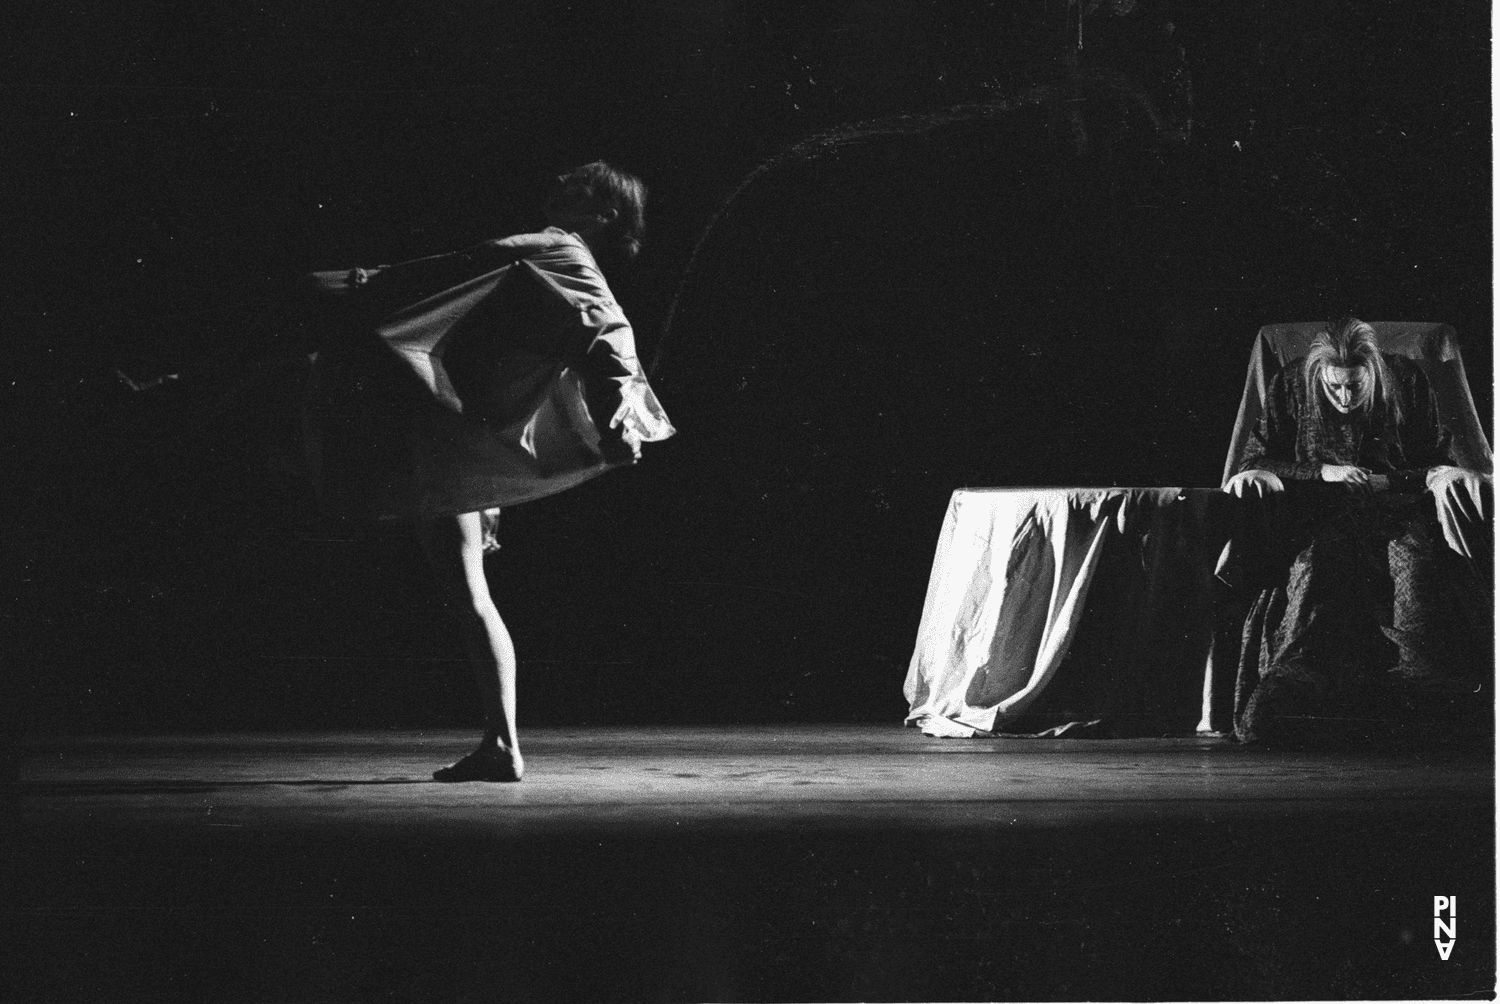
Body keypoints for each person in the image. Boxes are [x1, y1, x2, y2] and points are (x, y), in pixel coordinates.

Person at [301, 162, 674, 781]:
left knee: (469, 593)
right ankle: (501, 743)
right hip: (458, 448)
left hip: (451, 448)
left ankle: (503, 744)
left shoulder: (559, 249)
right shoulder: (561, 258)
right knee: (470, 594)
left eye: (581, 185)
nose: (560, 178)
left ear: (605, 214)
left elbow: (609, 333)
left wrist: (618, 421)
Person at [1226, 317, 1488, 745]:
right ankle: (1287, 702)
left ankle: (1422, 704)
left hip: (1398, 513)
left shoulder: (1407, 379)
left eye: (1354, 387)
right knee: (1315, 577)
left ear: (1374, 374)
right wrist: (1321, 472)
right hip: (1320, 516)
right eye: (1334, 388)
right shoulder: (1292, 384)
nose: (1344, 398)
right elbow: (1257, 458)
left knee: (1415, 578)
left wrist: (1394, 481)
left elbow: (1439, 459)